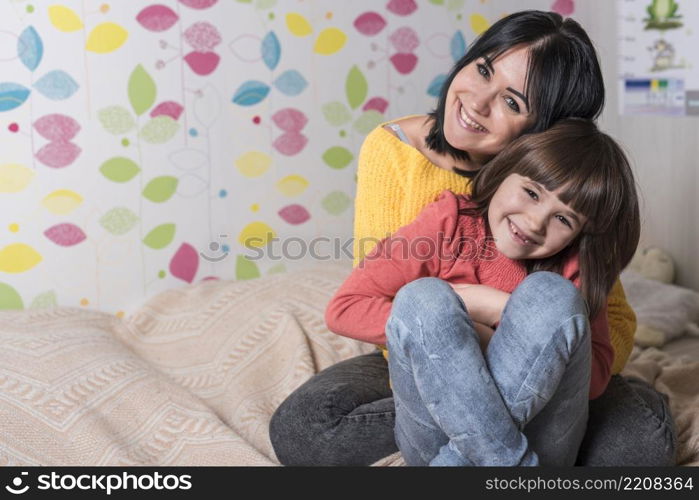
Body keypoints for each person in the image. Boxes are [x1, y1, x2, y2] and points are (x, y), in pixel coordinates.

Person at [269, 10, 676, 466]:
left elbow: (601, 323)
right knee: (307, 428)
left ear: (548, 133)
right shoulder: (406, 166)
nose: (477, 103)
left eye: (513, 103)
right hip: (432, 357)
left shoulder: (564, 210)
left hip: (551, 374)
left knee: (640, 445)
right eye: (483, 69)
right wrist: (476, 308)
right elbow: (387, 302)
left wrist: (531, 347)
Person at [325, 118, 639, 465]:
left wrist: (511, 328)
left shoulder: (573, 266)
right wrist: (467, 311)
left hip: (543, 435)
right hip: (434, 431)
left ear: (580, 233)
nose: (535, 222)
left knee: (551, 296)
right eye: (532, 193)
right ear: (504, 170)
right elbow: (345, 309)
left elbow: (594, 379)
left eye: (564, 219)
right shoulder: (448, 221)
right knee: (423, 299)